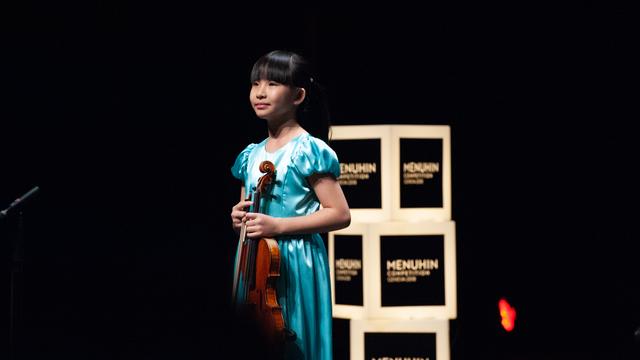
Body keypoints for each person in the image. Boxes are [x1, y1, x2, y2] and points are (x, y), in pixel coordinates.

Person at [229, 50, 351, 360]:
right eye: (255, 83)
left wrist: (278, 225)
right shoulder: (251, 154)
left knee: (293, 341)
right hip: (254, 261)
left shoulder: (307, 150)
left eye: (272, 83)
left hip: (296, 261)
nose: (260, 91)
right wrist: (239, 217)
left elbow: (339, 214)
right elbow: (247, 206)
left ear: (297, 95)